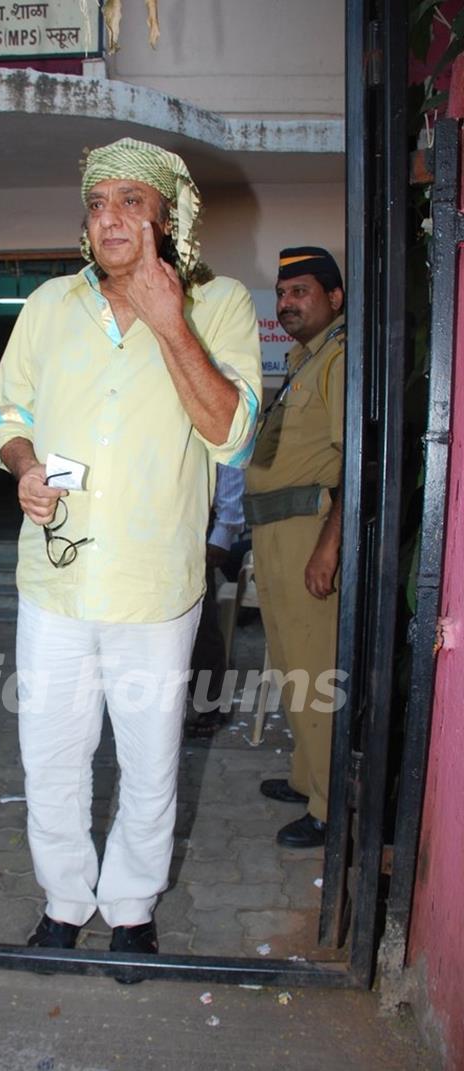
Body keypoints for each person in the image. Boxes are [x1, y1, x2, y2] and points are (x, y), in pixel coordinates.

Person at [0, 137, 261, 970]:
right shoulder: (48, 306)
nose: (110, 216)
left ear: (167, 215)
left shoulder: (221, 305)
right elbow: (7, 411)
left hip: (156, 588)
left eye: (130, 201)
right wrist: (25, 464)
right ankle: (66, 902)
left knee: (149, 760)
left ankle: (133, 906)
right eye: (98, 202)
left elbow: (232, 431)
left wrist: (167, 314)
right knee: (53, 758)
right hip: (55, 583)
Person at [243, 246, 345, 849]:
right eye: (282, 293)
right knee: (291, 668)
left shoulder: (338, 359)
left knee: (316, 671)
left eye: (300, 291)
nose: (286, 303)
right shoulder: (307, 358)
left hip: (310, 530)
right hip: (277, 532)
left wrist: (328, 549)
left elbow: (353, 467)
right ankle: (309, 780)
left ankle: (332, 809)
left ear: (333, 297)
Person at [187, 464, 246, 736]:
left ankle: (210, 703)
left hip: (191, 523)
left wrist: (225, 529)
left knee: (199, 621)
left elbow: (227, 462)